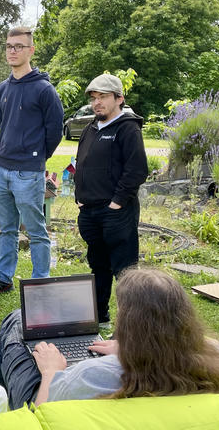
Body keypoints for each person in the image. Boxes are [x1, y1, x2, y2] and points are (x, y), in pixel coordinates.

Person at [0, 267, 219, 410]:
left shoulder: (93, 375)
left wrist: (52, 371)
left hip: (41, 398)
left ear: (130, 324)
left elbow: (43, 415)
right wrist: (133, 349)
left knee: (17, 320)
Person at [0, 27, 63, 298]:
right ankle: (4, 278)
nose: (12, 51)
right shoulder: (2, 88)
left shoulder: (44, 90)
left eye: (19, 46)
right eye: (9, 46)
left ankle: (39, 284)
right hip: (0, 169)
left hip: (28, 172)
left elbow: (55, 131)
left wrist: (35, 157)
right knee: (7, 230)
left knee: (36, 230)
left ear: (31, 51)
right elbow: (5, 126)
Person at [74, 73, 148, 329]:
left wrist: (116, 203)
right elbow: (80, 165)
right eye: (94, 98)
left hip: (117, 213)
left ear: (119, 98)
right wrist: (79, 198)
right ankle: (100, 317)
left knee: (125, 272)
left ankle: (133, 326)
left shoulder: (128, 128)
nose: (97, 103)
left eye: (103, 97)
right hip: (90, 212)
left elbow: (137, 170)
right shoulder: (90, 128)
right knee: (98, 267)